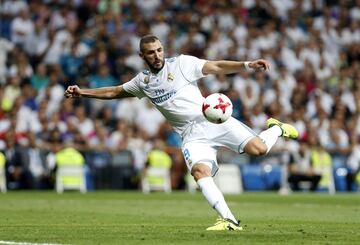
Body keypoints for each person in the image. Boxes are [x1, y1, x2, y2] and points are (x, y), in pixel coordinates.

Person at [64, 35, 299, 231]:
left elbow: (216, 66)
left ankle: (276, 128)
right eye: (150, 52)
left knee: (259, 150)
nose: (156, 55)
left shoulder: (182, 64)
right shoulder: (143, 82)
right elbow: (114, 92)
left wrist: (247, 65)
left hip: (214, 119)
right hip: (191, 135)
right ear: (142, 56)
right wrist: (82, 93)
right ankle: (229, 220)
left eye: (159, 50)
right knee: (199, 172)